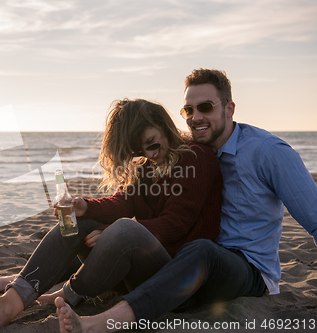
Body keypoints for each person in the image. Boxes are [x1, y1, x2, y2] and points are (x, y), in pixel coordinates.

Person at [55, 68, 317, 333]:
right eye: (188, 111)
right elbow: (131, 197)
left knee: (201, 250)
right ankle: (27, 288)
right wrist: (89, 206)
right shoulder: (188, 152)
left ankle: (100, 324)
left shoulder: (268, 152)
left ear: (229, 109)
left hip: (246, 269)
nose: (195, 117)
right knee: (92, 229)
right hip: (187, 271)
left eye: (205, 107)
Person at [0, 98, 223, 325]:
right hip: (140, 274)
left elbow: (175, 223)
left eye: (152, 144)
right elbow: (124, 202)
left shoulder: (196, 157)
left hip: (177, 282)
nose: (148, 154)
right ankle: (8, 304)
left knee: (123, 229)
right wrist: (85, 206)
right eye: (137, 151)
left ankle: (63, 295)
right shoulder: (145, 163)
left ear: (165, 126)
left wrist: (113, 232)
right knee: (78, 223)